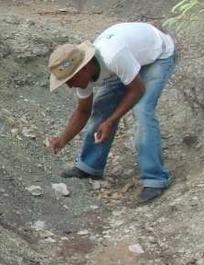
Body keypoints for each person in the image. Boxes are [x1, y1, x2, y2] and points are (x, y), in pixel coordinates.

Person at [46, 22, 177, 203]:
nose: (69, 85)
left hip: (157, 56)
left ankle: (155, 179)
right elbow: (84, 111)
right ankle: (89, 166)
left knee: (142, 110)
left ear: (84, 69)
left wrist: (112, 121)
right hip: (129, 61)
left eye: (71, 80)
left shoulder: (113, 56)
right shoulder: (85, 75)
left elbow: (137, 90)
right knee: (101, 110)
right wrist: (62, 139)